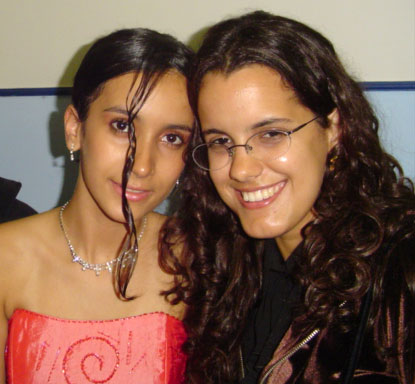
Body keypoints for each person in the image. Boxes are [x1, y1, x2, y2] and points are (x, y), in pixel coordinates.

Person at [161, 10, 415, 383]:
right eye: (221, 142)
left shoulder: (400, 270)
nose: (241, 169)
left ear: (333, 128)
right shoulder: (223, 268)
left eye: (271, 134)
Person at [0, 28, 194, 383]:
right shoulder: (6, 258)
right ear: (75, 128)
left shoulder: (201, 261)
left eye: (172, 138)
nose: (143, 165)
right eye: (122, 126)